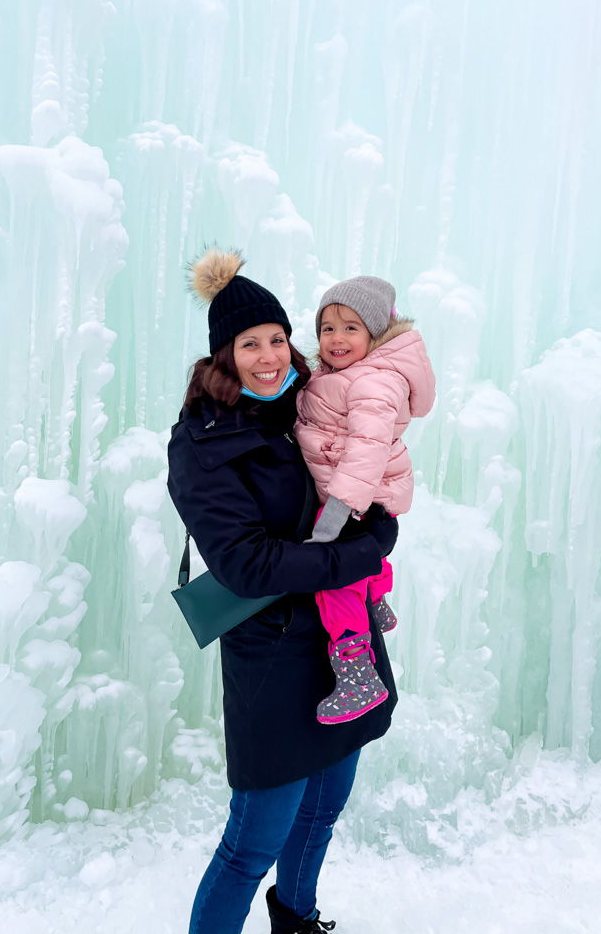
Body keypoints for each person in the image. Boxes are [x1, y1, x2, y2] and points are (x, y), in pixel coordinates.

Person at [167, 248, 399, 934]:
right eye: (249, 344)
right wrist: (361, 553)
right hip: (272, 656)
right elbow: (246, 565)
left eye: (277, 339)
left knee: (323, 811)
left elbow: (369, 459)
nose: (269, 356)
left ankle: (296, 921)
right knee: (250, 847)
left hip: (341, 646)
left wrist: (377, 520)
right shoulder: (201, 443)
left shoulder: (309, 403)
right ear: (222, 356)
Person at [293, 278, 436, 724]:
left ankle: (358, 675)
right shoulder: (344, 375)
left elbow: (367, 450)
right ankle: (376, 598)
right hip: (364, 500)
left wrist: (335, 514)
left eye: (351, 328)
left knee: (333, 580)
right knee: (355, 571)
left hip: (357, 502)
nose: (336, 339)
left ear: (374, 335)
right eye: (327, 328)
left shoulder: (375, 381)